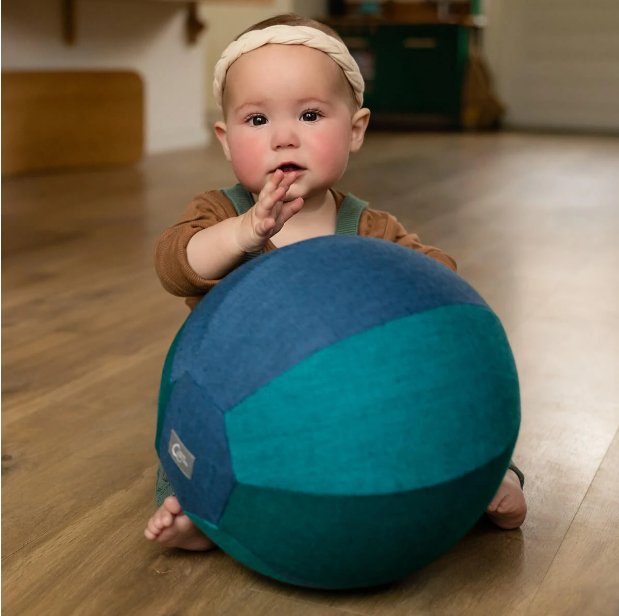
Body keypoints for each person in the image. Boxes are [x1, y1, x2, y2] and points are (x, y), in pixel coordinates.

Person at [144, 14, 527, 551]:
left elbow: (437, 279)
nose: (283, 137)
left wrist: (401, 287)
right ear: (226, 141)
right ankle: (197, 512)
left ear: (355, 129)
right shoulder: (221, 213)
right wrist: (244, 233)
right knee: (191, 445)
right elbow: (174, 263)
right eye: (257, 120)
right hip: (248, 405)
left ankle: (486, 477)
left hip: (356, 401)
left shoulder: (371, 227)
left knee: (438, 410)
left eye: (309, 114)